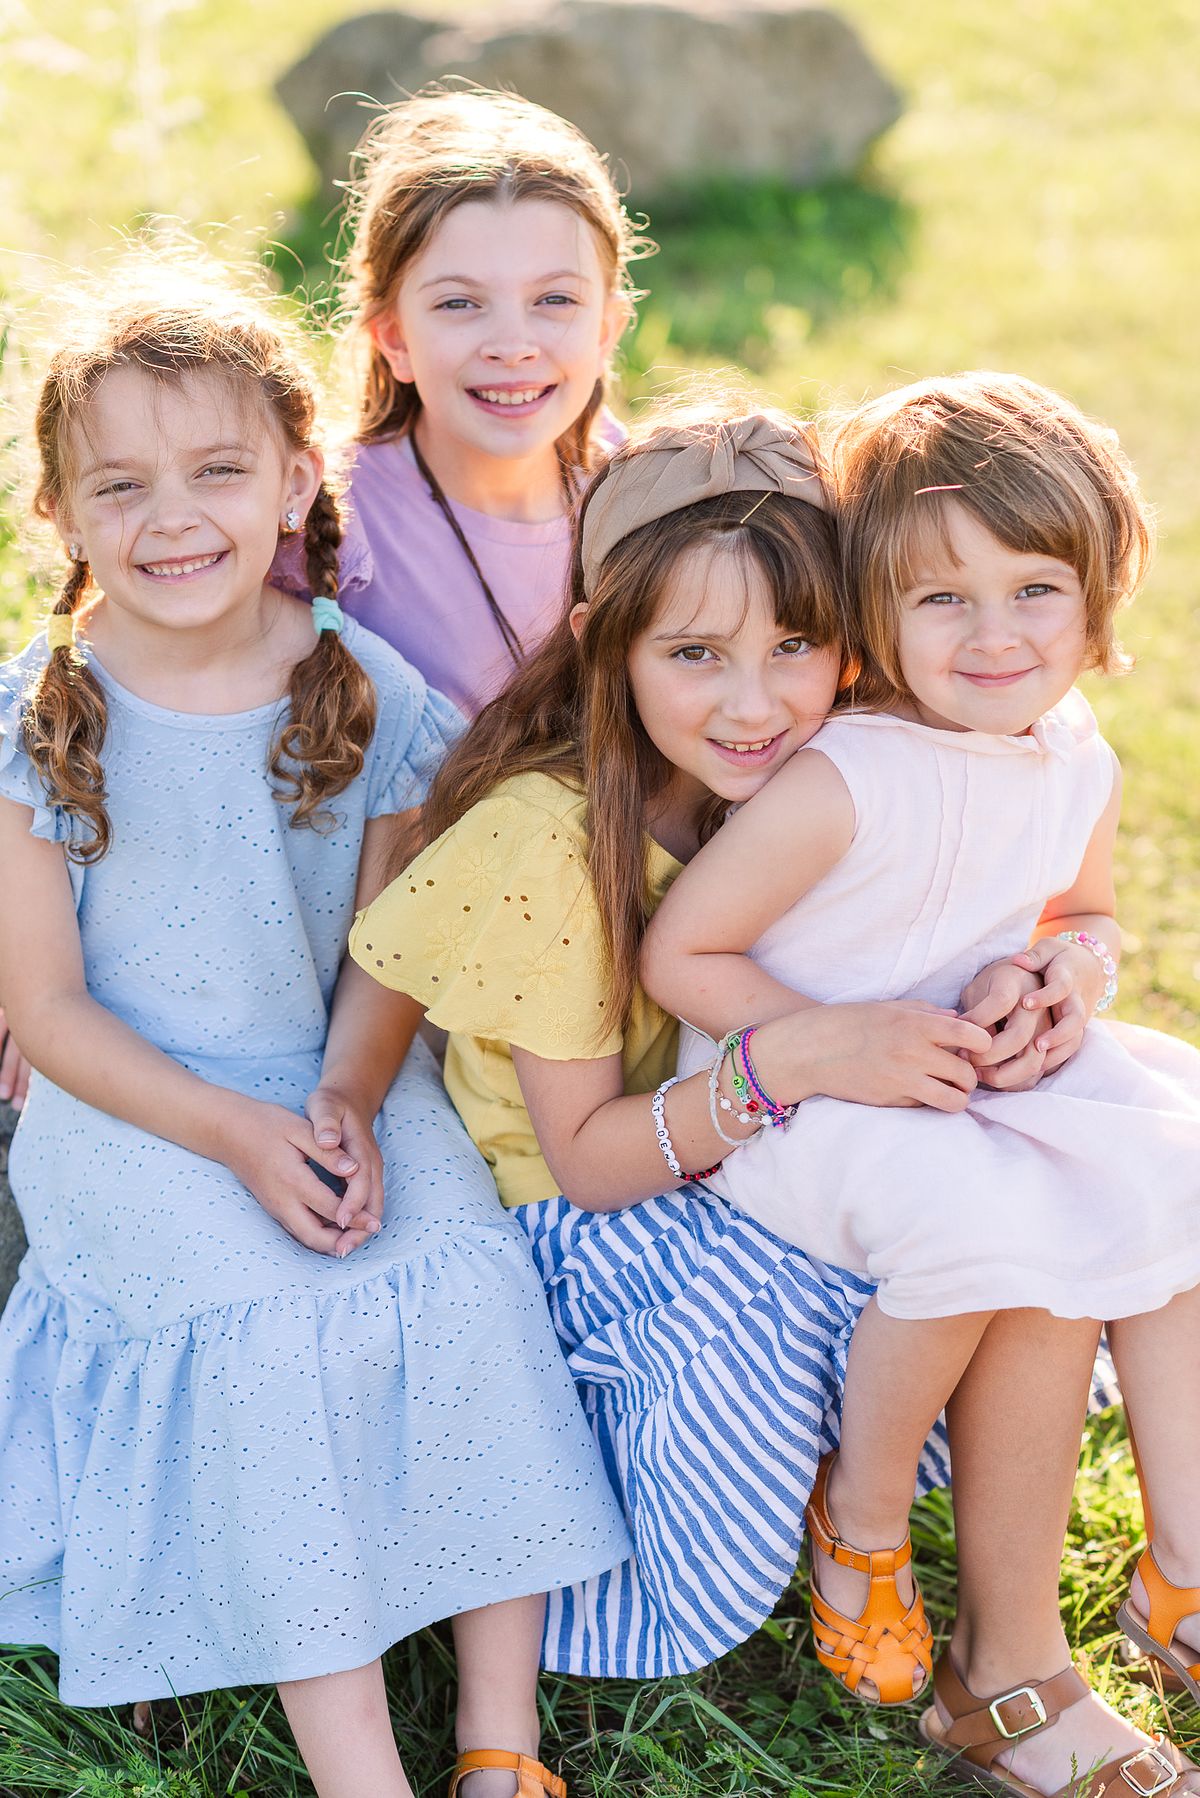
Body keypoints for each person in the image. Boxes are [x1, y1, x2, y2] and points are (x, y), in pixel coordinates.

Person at [352, 408, 1181, 1798]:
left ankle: (1017, 1657)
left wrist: (1061, 971)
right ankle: (945, 1610)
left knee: (1037, 1200)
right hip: (604, 1231)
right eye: (693, 654)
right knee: (987, 1227)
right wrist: (792, 1060)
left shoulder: (834, 758)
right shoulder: (555, 841)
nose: (754, 699)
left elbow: (1037, 886)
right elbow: (596, 1164)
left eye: (794, 646)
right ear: (605, 642)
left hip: (799, 1142)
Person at [0, 255, 631, 1798]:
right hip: (133, 1109)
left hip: (338, 1065)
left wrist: (345, 1098)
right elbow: (50, 1016)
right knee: (266, 1331)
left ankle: (501, 1742)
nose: (174, 519)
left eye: (219, 471)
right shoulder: (36, 714)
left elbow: (386, 950)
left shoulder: (358, 681)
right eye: (121, 485)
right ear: (60, 514)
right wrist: (239, 1135)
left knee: (468, 1280)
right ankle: (365, 1775)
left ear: (296, 475)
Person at [640, 378, 1200, 1791]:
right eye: (942, 598)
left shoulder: (1073, 754)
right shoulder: (846, 778)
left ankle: (1184, 1558)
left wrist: (1064, 984)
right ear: (871, 613)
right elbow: (681, 952)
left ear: (1102, 593)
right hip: (802, 1103)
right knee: (979, 1225)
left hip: (964, 1074)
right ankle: (864, 1514)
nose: (997, 634)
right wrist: (839, 1043)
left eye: (1035, 588)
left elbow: (1081, 917)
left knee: (1177, 1160)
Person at [271, 85, 643, 716]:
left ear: (606, 330)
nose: (512, 345)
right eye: (459, 303)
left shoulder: (652, 493)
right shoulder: (321, 526)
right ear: (395, 339)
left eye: (555, 299)